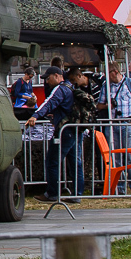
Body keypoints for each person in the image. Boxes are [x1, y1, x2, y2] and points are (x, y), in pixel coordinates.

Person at [25, 65, 83, 203]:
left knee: (53, 160)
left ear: (57, 76)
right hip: (74, 128)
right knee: (75, 162)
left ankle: (52, 193)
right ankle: (77, 194)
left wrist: (36, 116)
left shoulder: (60, 89)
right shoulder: (70, 87)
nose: (47, 81)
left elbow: (49, 103)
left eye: (48, 78)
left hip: (64, 129)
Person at [106, 61, 131, 195]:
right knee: (116, 157)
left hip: (127, 123)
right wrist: (108, 105)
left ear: (115, 72)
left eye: (109, 73)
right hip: (113, 123)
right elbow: (99, 105)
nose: (107, 76)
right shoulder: (107, 85)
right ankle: (120, 188)